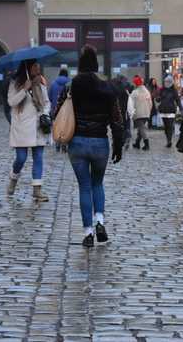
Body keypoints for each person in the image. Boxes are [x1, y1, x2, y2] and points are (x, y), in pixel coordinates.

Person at [58, 45, 124, 248]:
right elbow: (117, 119)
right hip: (99, 143)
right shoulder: (107, 87)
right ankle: (100, 222)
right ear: (96, 66)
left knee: (84, 187)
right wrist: (118, 145)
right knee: (98, 184)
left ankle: (88, 233)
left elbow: (58, 113)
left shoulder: (70, 87)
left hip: (77, 142)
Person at [6, 60, 51, 201]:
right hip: (22, 127)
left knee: (38, 158)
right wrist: (24, 89)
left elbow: (47, 102)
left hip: (38, 126)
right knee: (21, 158)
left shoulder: (40, 83)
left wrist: (45, 113)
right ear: (27, 67)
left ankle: (37, 190)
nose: (38, 68)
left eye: (38, 66)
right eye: (35, 66)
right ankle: (13, 179)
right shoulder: (15, 83)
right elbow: (11, 102)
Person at [157, 75, 183, 147]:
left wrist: (181, 109)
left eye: (168, 82)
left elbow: (178, 100)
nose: (167, 83)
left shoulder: (174, 90)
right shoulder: (162, 89)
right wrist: (158, 98)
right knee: (166, 126)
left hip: (171, 110)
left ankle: (169, 141)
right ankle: (168, 139)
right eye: (166, 81)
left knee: (170, 125)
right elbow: (158, 99)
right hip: (163, 110)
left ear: (171, 82)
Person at [130, 75, 152, 151]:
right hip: (146, 113)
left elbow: (131, 104)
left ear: (136, 84)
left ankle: (147, 144)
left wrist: (131, 113)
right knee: (141, 128)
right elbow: (150, 103)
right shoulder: (147, 92)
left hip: (138, 113)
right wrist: (149, 111)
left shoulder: (134, 92)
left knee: (142, 128)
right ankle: (137, 142)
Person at [111, 75, 132, 150]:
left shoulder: (116, 87)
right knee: (126, 124)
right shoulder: (128, 86)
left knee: (118, 125)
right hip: (127, 109)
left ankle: (117, 142)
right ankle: (127, 136)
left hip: (118, 109)